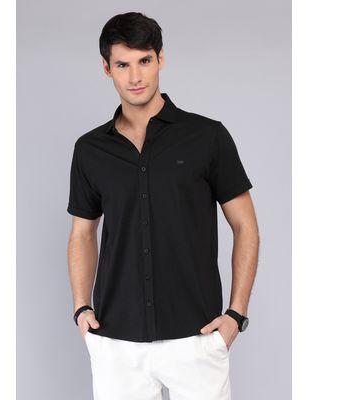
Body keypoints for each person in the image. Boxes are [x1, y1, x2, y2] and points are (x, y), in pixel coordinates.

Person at [67, 11, 259, 400]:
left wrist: (235, 315)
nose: (135, 76)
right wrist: (81, 309)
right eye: (122, 64)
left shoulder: (207, 137)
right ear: (106, 68)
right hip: (117, 342)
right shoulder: (90, 150)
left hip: (198, 336)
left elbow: (246, 227)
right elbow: (83, 233)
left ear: (161, 59)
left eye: (144, 61)